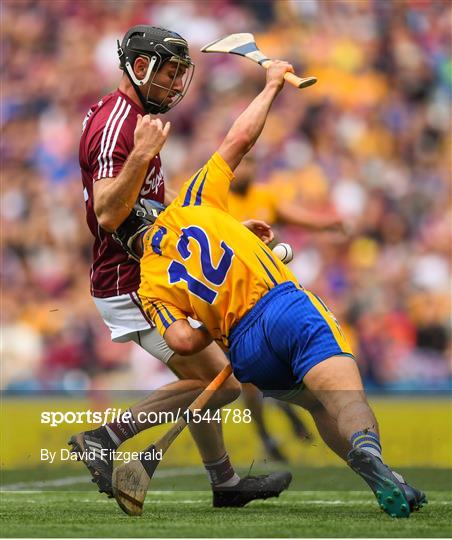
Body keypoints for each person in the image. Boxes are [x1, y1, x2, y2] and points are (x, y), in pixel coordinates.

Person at [122, 60, 426, 518]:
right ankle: (370, 451)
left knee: (316, 406)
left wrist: (211, 320)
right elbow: (239, 139)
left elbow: (182, 341)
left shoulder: (147, 281)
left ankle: (383, 477)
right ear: (153, 208)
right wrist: (270, 86)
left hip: (246, 350)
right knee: (345, 398)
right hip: (283, 308)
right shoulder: (192, 202)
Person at [73, 24, 291, 508]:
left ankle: (225, 483)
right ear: (141, 67)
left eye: (179, 75)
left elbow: (154, 203)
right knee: (223, 384)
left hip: (149, 269)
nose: (175, 85)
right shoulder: (120, 123)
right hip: (130, 278)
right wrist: (145, 152)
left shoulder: (135, 116)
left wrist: (221, 226)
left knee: (209, 379)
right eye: (170, 74)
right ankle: (105, 437)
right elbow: (109, 212)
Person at [230, 155, 348, 461]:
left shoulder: (264, 195)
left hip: (270, 295)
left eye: (253, 164)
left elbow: (293, 215)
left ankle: (287, 411)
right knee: (249, 380)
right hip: (237, 303)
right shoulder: (217, 204)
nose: (248, 170)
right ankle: (266, 435)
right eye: (242, 164)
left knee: (272, 365)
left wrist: (328, 223)